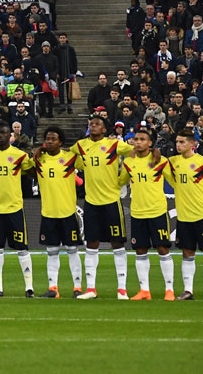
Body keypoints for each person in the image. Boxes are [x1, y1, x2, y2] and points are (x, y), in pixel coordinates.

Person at [68, 114, 134, 299]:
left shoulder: (114, 145)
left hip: (112, 201)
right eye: (91, 124)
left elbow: (135, 152)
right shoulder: (81, 145)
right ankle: (91, 289)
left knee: (117, 244)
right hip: (91, 203)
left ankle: (122, 289)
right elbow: (66, 154)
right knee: (91, 244)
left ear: (105, 129)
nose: (93, 126)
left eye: (97, 124)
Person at [118, 129, 176, 301]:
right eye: (136, 139)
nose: (138, 142)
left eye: (142, 139)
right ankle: (144, 290)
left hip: (157, 212)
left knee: (163, 249)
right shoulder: (129, 162)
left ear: (150, 143)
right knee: (140, 251)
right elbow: (120, 182)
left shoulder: (161, 161)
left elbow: (175, 182)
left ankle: (169, 290)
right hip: (137, 213)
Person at [0, 125, 36, 297]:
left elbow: (33, 172)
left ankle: (29, 288)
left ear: (10, 135)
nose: (0, 136)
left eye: (3, 133)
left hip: (14, 208)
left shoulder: (19, 155)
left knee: (22, 248)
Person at [168, 128, 203, 301]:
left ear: (193, 144)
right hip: (183, 217)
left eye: (182, 142)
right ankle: (188, 291)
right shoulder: (172, 162)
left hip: (202, 215)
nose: (178, 145)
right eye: (177, 141)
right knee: (187, 253)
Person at [34, 126, 85, 297]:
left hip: (67, 213)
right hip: (48, 213)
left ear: (60, 142)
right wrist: (38, 150)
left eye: (53, 139)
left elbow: (86, 155)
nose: (49, 142)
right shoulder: (38, 159)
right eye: (47, 139)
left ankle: (77, 288)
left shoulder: (70, 158)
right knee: (52, 252)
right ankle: (53, 288)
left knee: (72, 251)